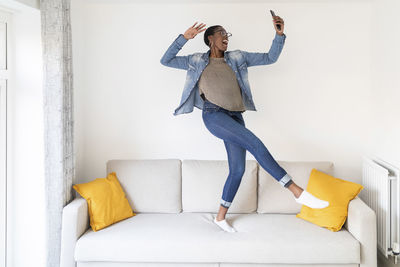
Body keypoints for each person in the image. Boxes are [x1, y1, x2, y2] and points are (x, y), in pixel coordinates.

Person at [160, 16, 329, 233]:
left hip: (236, 117)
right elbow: (166, 60)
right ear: (210, 38)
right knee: (255, 144)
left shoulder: (237, 57)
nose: (226, 38)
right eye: (221, 33)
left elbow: (270, 58)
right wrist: (183, 38)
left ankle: (220, 217)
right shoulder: (195, 61)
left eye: (227, 35)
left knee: (238, 170)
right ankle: (297, 191)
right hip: (214, 116)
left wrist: (279, 35)